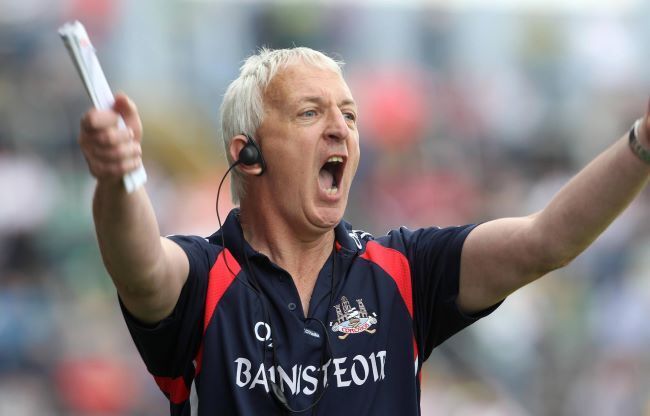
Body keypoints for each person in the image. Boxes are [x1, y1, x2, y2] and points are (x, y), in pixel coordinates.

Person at [78, 47, 650, 415]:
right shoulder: (205, 279)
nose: (341, 130)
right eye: (310, 113)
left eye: (349, 115)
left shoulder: (402, 269)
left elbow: (547, 241)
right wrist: (116, 177)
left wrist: (643, 142)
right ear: (247, 155)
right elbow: (139, 264)